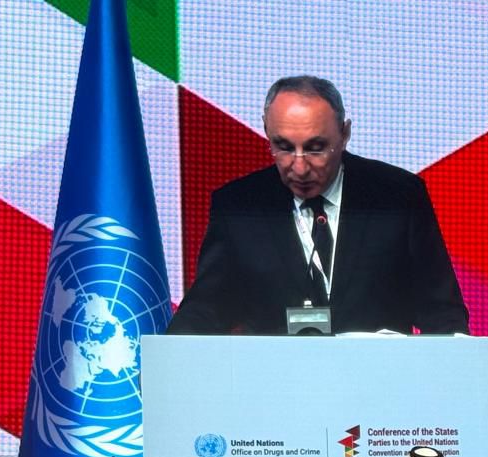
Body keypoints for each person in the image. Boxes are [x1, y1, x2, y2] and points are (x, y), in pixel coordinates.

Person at [168, 76, 469, 336]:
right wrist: (166, 359)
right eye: (284, 147)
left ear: (345, 134)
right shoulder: (238, 206)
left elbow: (442, 312)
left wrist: (462, 366)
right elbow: (206, 307)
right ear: (266, 131)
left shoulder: (398, 197)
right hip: (273, 381)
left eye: (316, 148)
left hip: (378, 380)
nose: (299, 168)